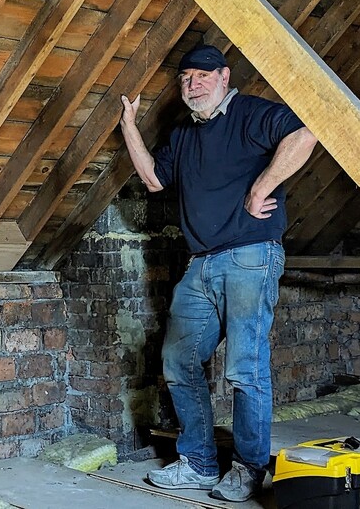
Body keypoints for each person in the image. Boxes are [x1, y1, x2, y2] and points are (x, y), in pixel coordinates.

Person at [119, 44, 317, 502]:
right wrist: (129, 126)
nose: (193, 84)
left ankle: (248, 470)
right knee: (178, 360)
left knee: (244, 369)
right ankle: (199, 464)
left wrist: (262, 188)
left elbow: (304, 135)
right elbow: (153, 179)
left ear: (224, 77)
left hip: (250, 254)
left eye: (203, 76)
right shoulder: (183, 133)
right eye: (186, 78)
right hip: (201, 264)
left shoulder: (250, 113)